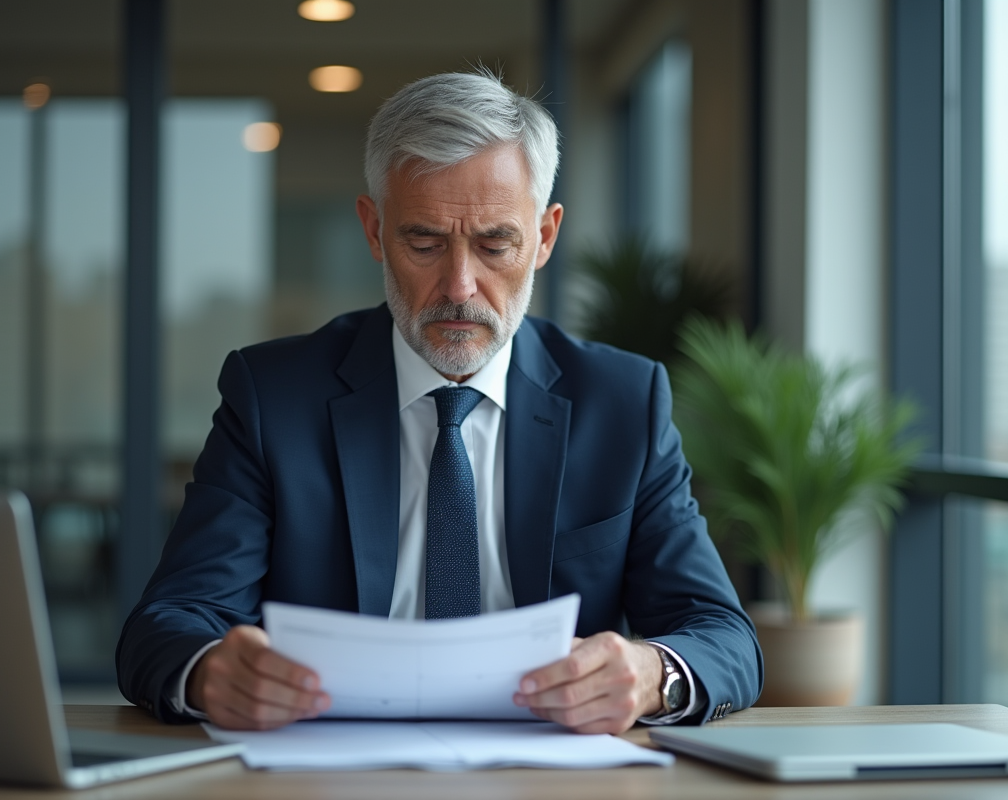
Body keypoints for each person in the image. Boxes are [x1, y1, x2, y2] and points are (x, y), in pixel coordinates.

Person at [117, 70, 762, 735]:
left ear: (544, 237)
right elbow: (167, 624)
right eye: (423, 243)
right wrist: (209, 669)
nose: (459, 285)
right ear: (374, 231)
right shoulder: (271, 397)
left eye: (494, 244)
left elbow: (723, 635)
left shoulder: (623, 403)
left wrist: (651, 672)